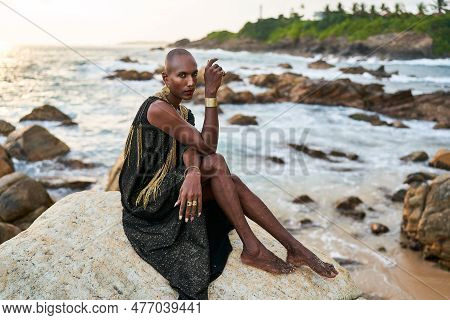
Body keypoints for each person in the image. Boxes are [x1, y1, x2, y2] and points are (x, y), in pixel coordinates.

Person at [119, 48, 338, 300]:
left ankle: (294, 248)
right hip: (146, 198)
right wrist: (211, 94)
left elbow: (194, 149)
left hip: (171, 184)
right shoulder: (157, 108)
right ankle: (256, 248)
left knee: (230, 180)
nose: (191, 82)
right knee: (217, 162)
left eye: (193, 75)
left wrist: (192, 172)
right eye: (181, 75)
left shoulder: (184, 113)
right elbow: (208, 147)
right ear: (165, 78)